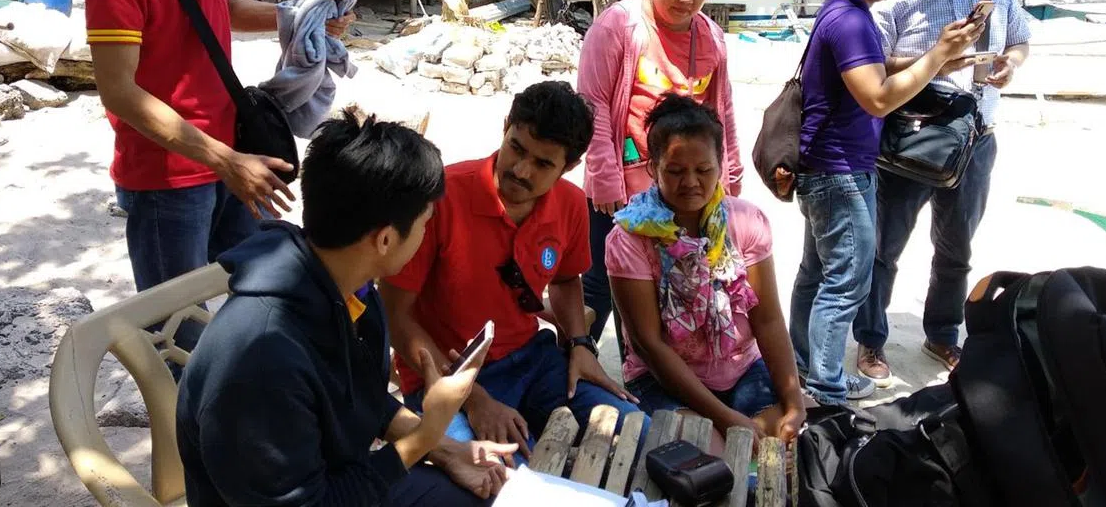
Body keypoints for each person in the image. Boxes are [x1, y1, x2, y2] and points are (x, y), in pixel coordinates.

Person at [79, 0, 354, 335]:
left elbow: (217, 8)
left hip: (232, 156)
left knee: (258, 302)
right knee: (178, 332)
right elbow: (119, 91)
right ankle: (182, 422)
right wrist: (223, 160)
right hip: (168, 176)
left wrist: (296, 17)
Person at [176, 112, 516, 506]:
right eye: (425, 223)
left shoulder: (350, 291)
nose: (426, 234)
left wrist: (442, 448)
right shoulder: (262, 361)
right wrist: (425, 436)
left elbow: (358, 396)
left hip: (343, 477)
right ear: (386, 239)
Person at [381, 82, 642, 459]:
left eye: (542, 164)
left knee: (637, 431)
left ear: (569, 167)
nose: (520, 171)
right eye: (516, 148)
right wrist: (472, 398)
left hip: (533, 360)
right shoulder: (442, 197)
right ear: (506, 127)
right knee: (500, 483)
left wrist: (581, 343)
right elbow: (395, 316)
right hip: (442, 376)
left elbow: (567, 279)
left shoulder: (569, 204)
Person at [789, 0, 983, 405]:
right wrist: (936, 55)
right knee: (845, 281)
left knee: (816, 274)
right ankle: (828, 388)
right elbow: (877, 97)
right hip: (840, 172)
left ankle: (808, 368)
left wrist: (939, 58)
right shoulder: (852, 19)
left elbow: (872, 68)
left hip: (824, 167)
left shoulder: (842, 12)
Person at [852, 0, 1032, 383]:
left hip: (976, 139)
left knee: (956, 249)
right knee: (884, 247)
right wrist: (938, 61)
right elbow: (872, 64)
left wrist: (1009, 66)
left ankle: (943, 332)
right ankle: (870, 339)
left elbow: (1019, 40)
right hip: (909, 138)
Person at [607, 94, 805, 442]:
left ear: (721, 163)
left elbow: (768, 319)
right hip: (662, 378)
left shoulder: (746, 221)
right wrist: (724, 418)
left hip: (741, 368)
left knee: (778, 447)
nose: (691, 183)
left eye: (703, 170)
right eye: (675, 171)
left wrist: (795, 401)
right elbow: (650, 346)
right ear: (652, 167)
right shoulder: (629, 239)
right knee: (710, 454)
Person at [578, 0, 743, 347]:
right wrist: (603, 176)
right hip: (621, 188)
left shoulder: (712, 38)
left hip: (683, 188)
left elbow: (721, 112)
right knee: (602, 281)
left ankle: (646, 373)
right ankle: (575, 363)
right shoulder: (619, 24)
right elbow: (593, 102)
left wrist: (729, 173)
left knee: (672, 284)